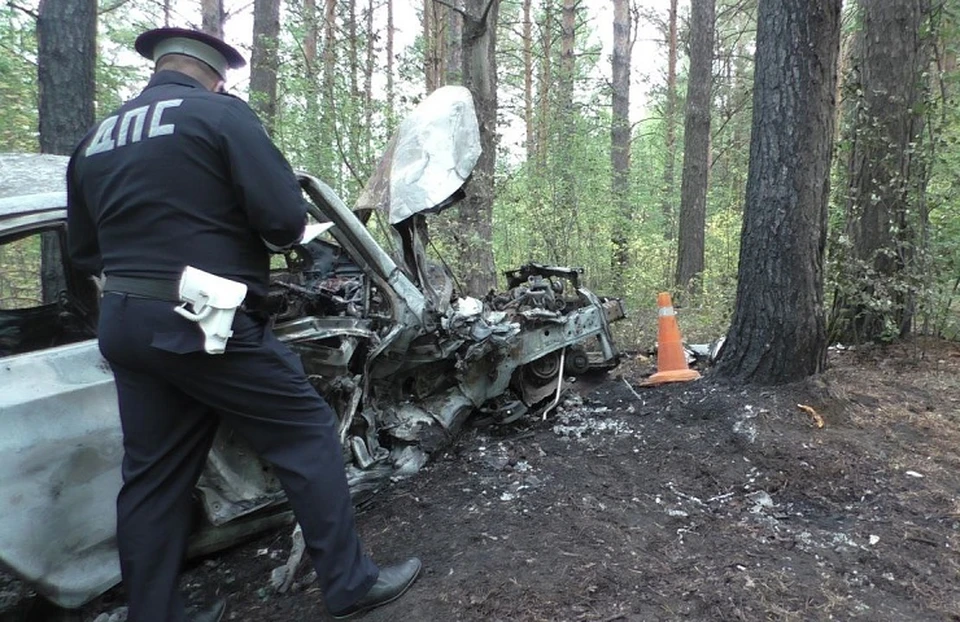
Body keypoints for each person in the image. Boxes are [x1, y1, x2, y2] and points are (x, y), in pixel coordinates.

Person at [66, 27, 420, 622]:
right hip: (200, 322)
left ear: (159, 68)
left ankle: (154, 614)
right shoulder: (219, 116)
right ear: (216, 74)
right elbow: (283, 221)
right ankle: (350, 585)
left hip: (125, 321)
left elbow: (83, 252)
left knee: (152, 475)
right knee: (307, 432)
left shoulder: (96, 138)